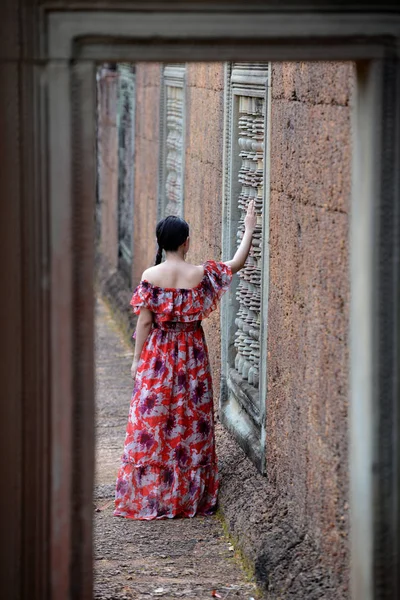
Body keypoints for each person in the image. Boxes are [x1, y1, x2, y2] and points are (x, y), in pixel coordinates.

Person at [114, 199, 257, 520]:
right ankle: (187, 495)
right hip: (191, 354)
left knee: (154, 421)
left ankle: (154, 494)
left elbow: (145, 322)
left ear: (161, 243)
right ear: (185, 242)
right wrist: (249, 229)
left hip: (158, 356)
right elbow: (236, 263)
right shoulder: (199, 274)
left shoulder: (150, 275)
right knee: (189, 419)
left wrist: (137, 361)